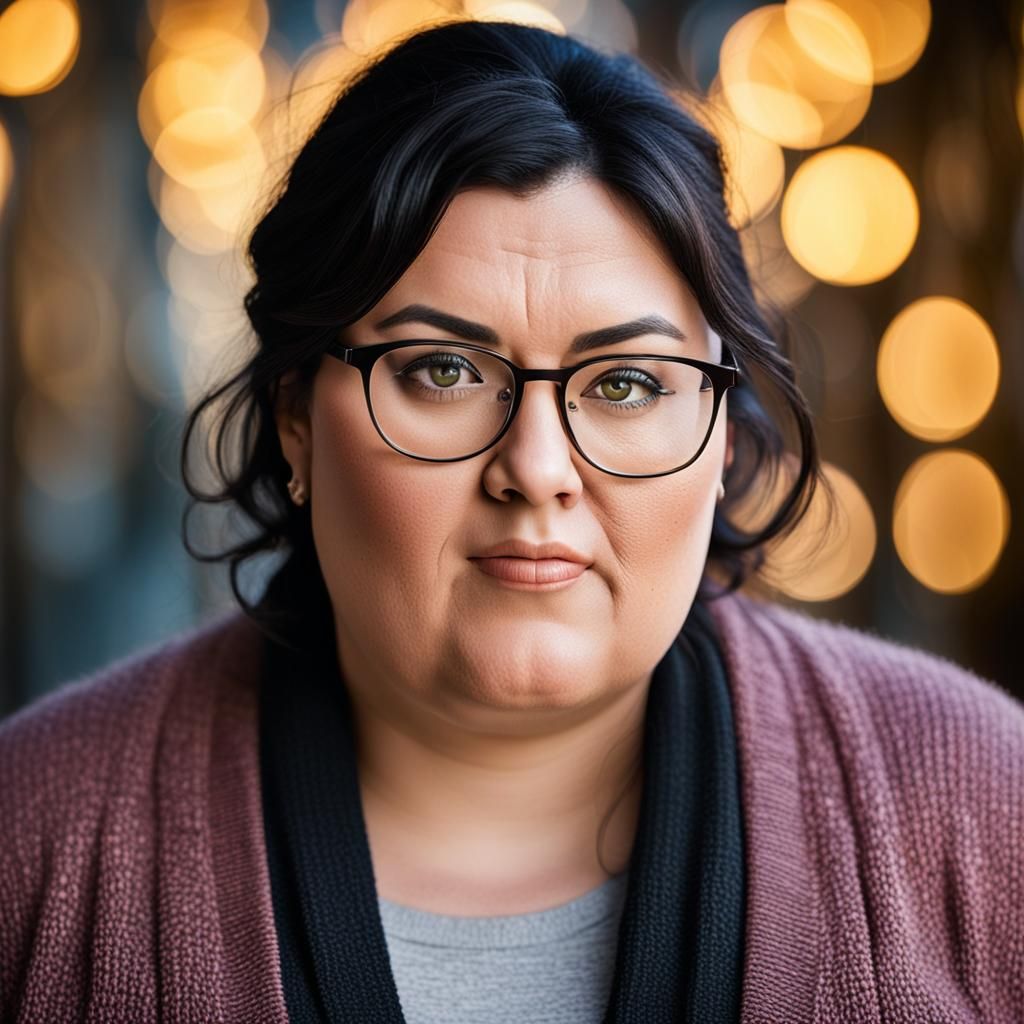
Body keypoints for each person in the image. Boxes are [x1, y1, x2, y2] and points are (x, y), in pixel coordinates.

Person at [1, 18, 1022, 1024]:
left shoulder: (983, 806)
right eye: (443, 371)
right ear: (296, 419)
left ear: (720, 437)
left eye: (625, 383)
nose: (536, 471)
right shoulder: (31, 837)